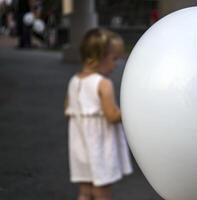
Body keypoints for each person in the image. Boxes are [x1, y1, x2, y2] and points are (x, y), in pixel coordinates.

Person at [65, 28, 133, 200]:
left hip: (80, 147)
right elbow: (111, 116)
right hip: (100, 148)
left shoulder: (74, 81)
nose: (116, 64)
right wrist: (130, 111)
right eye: (114, 59)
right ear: (100, 56)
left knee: (85, 191)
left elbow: (68, 111)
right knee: (102, 192)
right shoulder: (104, 84)